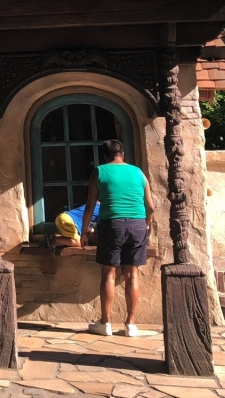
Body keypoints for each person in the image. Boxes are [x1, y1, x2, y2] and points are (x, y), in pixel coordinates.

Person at [81, 138, 155, 337]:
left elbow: (90, 205)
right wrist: (145, 224)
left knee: (109, 274)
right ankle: (130, 324)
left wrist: (84, 232)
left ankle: (105, 323)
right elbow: (151, 207)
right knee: (132, 274)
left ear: (105, 156)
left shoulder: (100, 171)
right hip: (138, 224)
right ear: (122, 154)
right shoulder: (138, 172)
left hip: (111, 224)